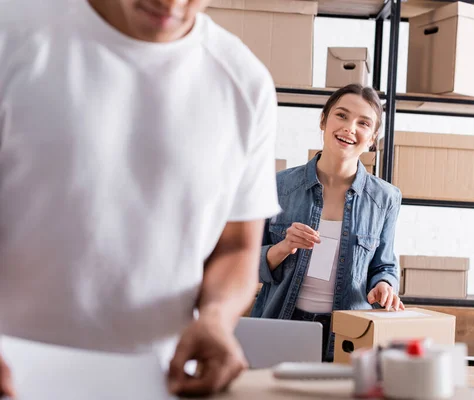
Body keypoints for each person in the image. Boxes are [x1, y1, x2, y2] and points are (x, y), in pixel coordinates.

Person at [0, 0, 281, 397]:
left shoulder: (245, 83)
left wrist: (216, 319)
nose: (171, 2)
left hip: (158, 378)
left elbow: (236, 246)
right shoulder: (12, 35)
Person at [251, 84, 404, 362]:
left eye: (363, 123)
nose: (350, 128)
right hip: (282, 324)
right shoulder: (278, 186)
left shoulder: (386, 198)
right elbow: (246, 263)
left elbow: (385, 265)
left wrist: (384, 285)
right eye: (342, 116)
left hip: (351, 334)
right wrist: (283, 247)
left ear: (372, 138)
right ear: (324, 120)